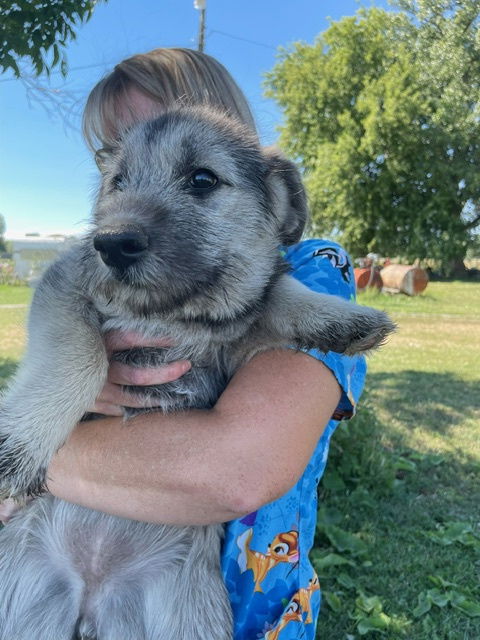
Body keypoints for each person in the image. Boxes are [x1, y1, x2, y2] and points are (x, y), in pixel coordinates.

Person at [1, 48, 366, 640]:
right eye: (116, 166)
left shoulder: (312, 269)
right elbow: (63, 299)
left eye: (195, 178)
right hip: (39, 554)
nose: (121, 215)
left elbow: (237, 471)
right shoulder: (102, 271)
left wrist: (30, 459)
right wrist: (67, 384)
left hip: (220, 597)